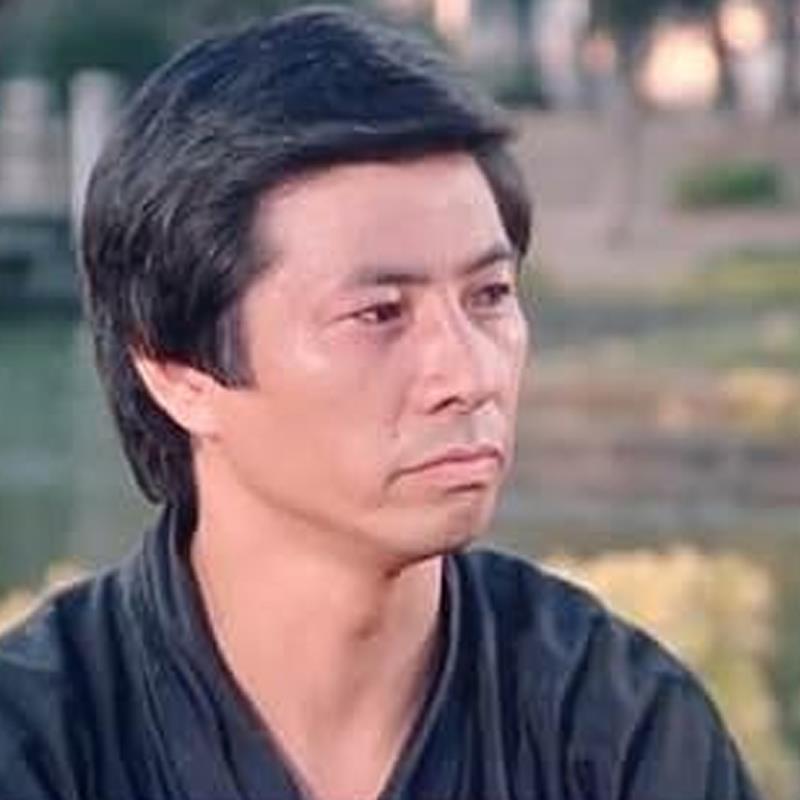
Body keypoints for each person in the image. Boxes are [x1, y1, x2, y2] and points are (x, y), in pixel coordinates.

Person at [0, 6, 760, 799]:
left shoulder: (615, 729)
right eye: (379, 314)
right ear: (178, 372)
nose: (469, 375)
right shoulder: (38, 749)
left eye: (490, 295)